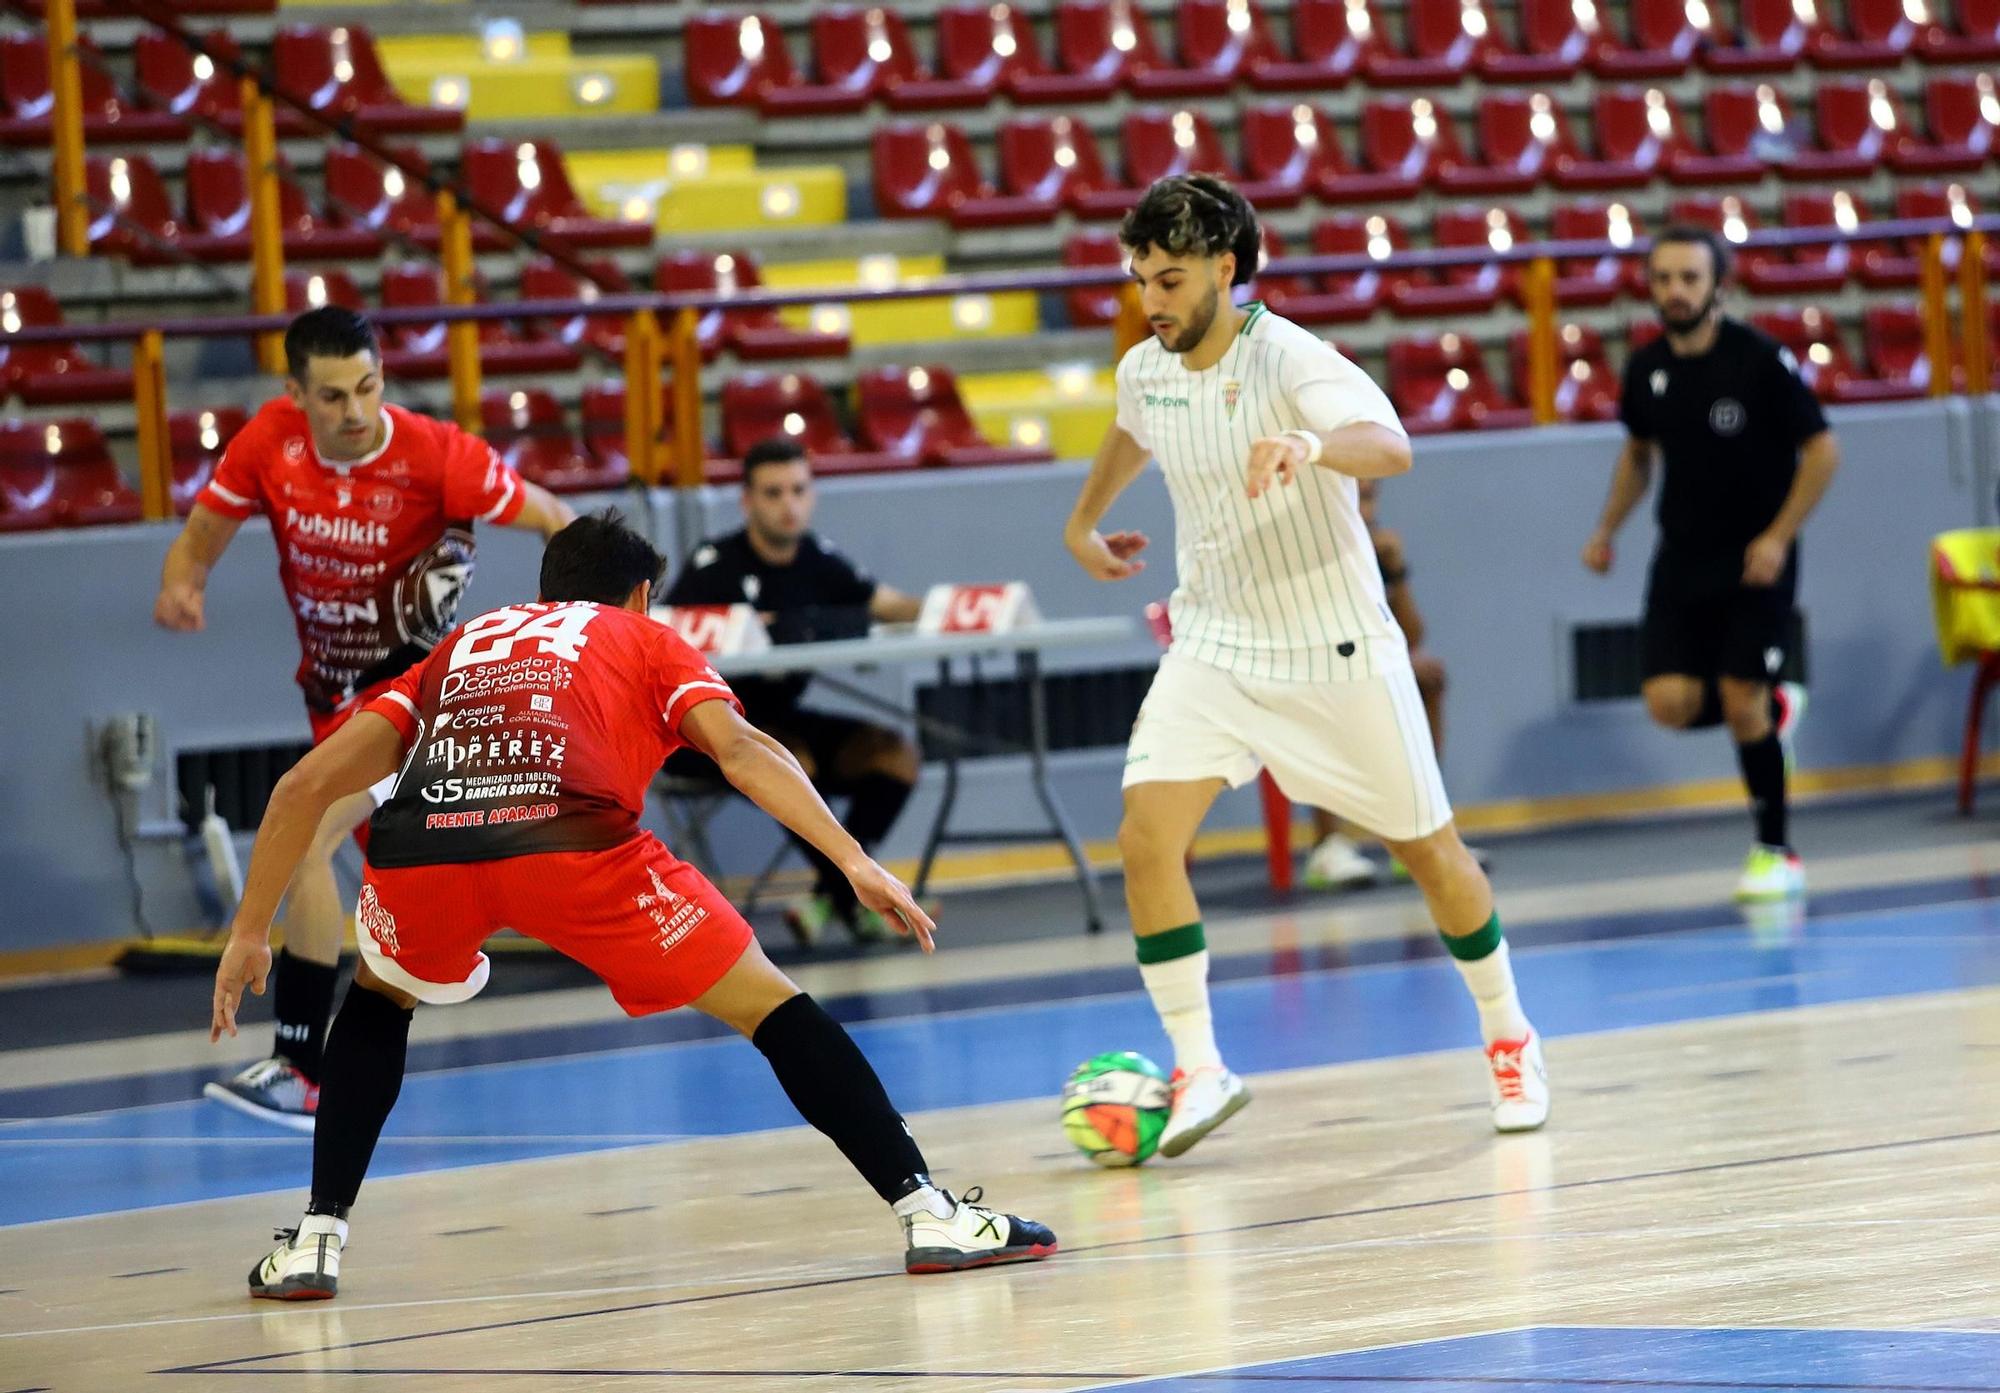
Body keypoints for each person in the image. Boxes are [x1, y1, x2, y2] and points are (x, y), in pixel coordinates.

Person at [209, 511, 1056, 1299]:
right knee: (773, 1007)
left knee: (378, 1003)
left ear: (547, 588)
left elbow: (302, 785)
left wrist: (251, 931)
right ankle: (928, 1212)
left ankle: (316, 1237)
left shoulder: (463, 643)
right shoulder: (641, 635)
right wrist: (852, 859)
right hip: (572, 847)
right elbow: (742, 749)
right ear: (642, 594)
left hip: (427, 852)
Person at [1063, 173, 1550, 1157]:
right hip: (1211, 642)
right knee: (1145, 836)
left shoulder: (1288, 356)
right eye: (1137, 279)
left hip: (1332, 647)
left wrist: (1309, 443)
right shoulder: (1142, 368)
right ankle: (1199, 1066)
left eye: (1166, 279)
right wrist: (1080, 523)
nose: (1149, 299)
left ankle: (1507, 1033)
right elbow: (1131, 429)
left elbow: (1390, 445)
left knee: (1431, 856)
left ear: (1223, 268)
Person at [156, 307, 576, 1130]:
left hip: (415, 693)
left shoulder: (440, 455)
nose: (354, 411)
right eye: (333, 396)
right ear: (295, 395)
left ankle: (304, 1066)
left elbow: (556, 517)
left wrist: (578, 629)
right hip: (332, 694)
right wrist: (183, 582)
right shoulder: (268, 442)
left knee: (305, 834)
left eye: (368, 388)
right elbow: (203, 532)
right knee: (410, 869)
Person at [1583, 226, 1837, 903]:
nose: (1675, 291)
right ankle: (1774, 706)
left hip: (1756, 556)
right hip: (1682, 557)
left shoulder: (1758, 360)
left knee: (1738, 697)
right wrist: (1607, 528)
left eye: (1689, 278)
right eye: (1663, 278)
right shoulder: (1645, 368)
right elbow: (1639, 454)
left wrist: (1779, 535)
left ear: (1718, 284)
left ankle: (1775, 851)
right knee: (1670, 702)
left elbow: (1821, 452)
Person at [663, 437, 925, 948]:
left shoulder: (820, 560)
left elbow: (888, 605)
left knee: (895, 755)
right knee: (791, 763)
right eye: (774, 493)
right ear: (747, 502)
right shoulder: (715, 564)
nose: (789, 505)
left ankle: (834, 896)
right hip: (708, 730)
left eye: (799, 491)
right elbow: (660, 632)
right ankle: (856, 894)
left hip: (785, 716)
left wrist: (949, 607)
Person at [1301, 477, 1463, 891]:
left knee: (1428, 676)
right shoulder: (1307, 545)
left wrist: (1398, 573)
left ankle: (1421, 831)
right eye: (1359, 499)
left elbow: (1412, 637)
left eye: (1372, 499)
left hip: (1363, 663)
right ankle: (1327, 846)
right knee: (1326, 686)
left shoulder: (1374, 548)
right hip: (1305, 664)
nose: (1368, 512)